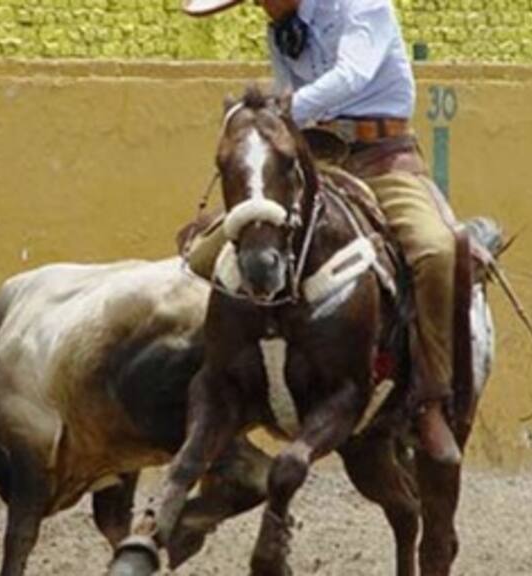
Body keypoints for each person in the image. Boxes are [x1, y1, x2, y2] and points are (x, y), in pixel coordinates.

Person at [182, 0, 462, 464]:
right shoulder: (282, 26)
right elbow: (292, 108)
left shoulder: (363, 6)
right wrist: (277, 127)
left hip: (382, 158)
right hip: (314, 160)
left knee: (436, 251)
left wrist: (278, 112)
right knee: (203, 254)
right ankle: (220, 385)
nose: (261, 7)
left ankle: (431, 397)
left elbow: (351, 76)